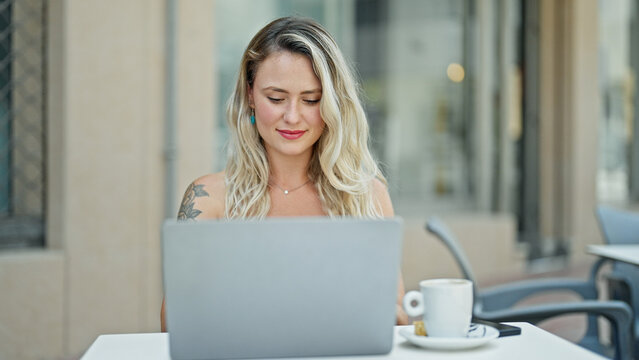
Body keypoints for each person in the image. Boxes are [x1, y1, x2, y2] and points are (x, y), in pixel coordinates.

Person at [161, 16, 408, 332]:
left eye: (311, 99)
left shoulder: (368, 196)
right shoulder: (208, 199)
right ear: (250, 95)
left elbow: (397, 319)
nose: (292, 116)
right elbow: (173, 324)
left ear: (333, 103)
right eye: (276, 98)